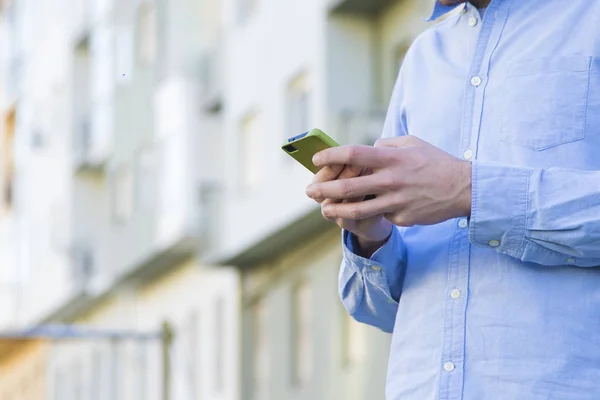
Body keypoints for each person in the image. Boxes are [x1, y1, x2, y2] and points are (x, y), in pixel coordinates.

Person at [305, 0, 600, 399]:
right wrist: (372, 235)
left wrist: (469, 191)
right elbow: (380, 311)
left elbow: (462, 191)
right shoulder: (423, 56)